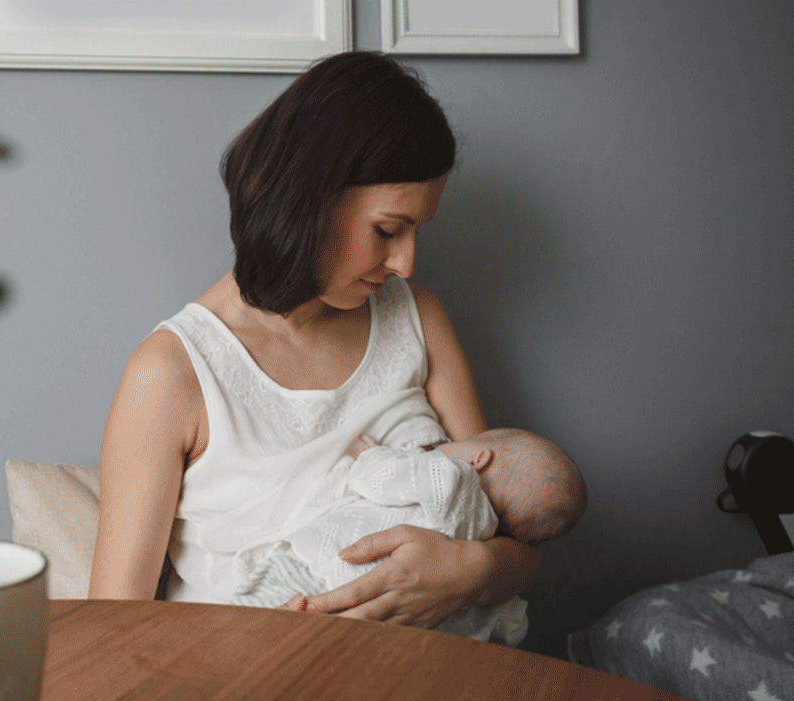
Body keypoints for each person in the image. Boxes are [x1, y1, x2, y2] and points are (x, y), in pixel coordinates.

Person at [89, 51, 586, 631]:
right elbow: (113, 627)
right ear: (309, 200)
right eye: (387, 230)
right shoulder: (173, 372)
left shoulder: (418, 320)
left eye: (417, 232)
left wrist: (467, 570)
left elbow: (515, 539)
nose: (406, 263)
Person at [230, 427, 585, 643]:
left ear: (479, 458)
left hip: (320, 571)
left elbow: (383, 476)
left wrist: (370, 456)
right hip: (386, 627)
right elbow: (506, 626)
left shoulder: (450, 480)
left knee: (248, 613)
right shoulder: (481, 538)